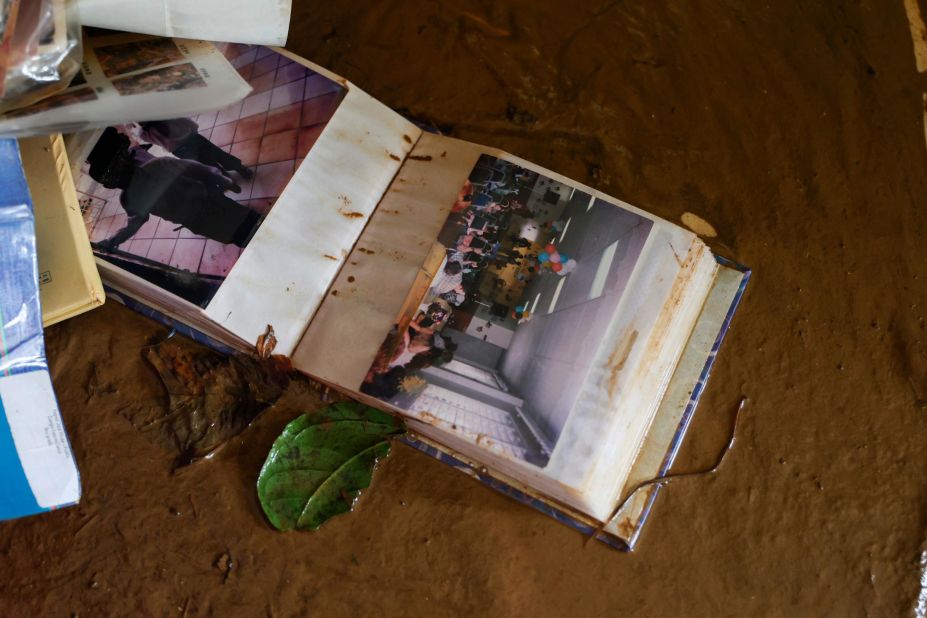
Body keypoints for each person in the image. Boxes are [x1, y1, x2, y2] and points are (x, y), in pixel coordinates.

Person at [89, 128, 261, 251]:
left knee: (235, 233)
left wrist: (113, 241)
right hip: (208, 205)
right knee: (245, 225)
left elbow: (133, 225)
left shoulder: (129, 199)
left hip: (199, 216)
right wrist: (222, 180)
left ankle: (248, 239)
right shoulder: (157, 166)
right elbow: (195, 168)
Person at [137, 119, 254, 179]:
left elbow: (152, 141)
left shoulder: (143, 133)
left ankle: (224, 176)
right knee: (218, 154)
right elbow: (187, 122)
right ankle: (240, 169)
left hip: (178, 150)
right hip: (191, 138)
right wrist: (193, 130)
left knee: (205, 162)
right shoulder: (164, 115)